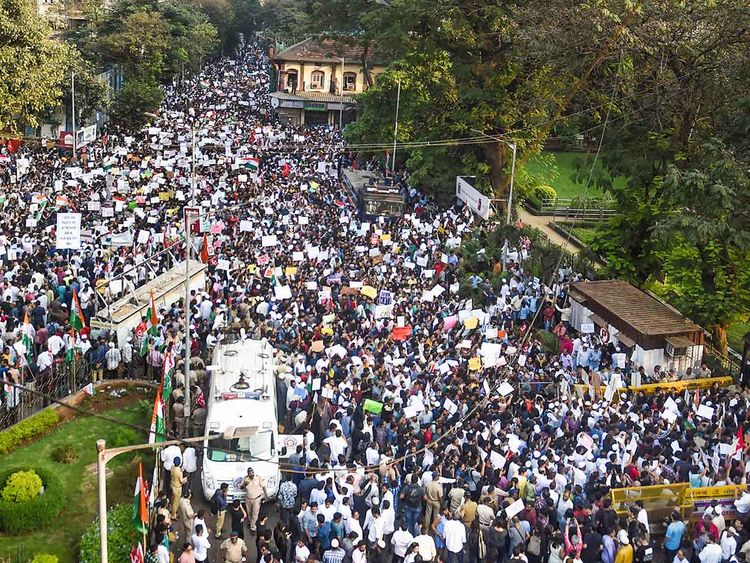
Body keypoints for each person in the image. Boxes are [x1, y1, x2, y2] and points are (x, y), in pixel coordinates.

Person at [241, 467, 266, 533]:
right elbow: (241, 487)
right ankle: (251, 522)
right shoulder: (245, 479)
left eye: (252, 473)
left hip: (257, 499)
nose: (252, 475)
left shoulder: (258, 478)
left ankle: (253, 528)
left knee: (255, 513)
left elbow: (263, 487)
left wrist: (266, 496)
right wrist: (244, 484)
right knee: (249, 513)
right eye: (250, 474)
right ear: (248, 474)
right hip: (248, 499)